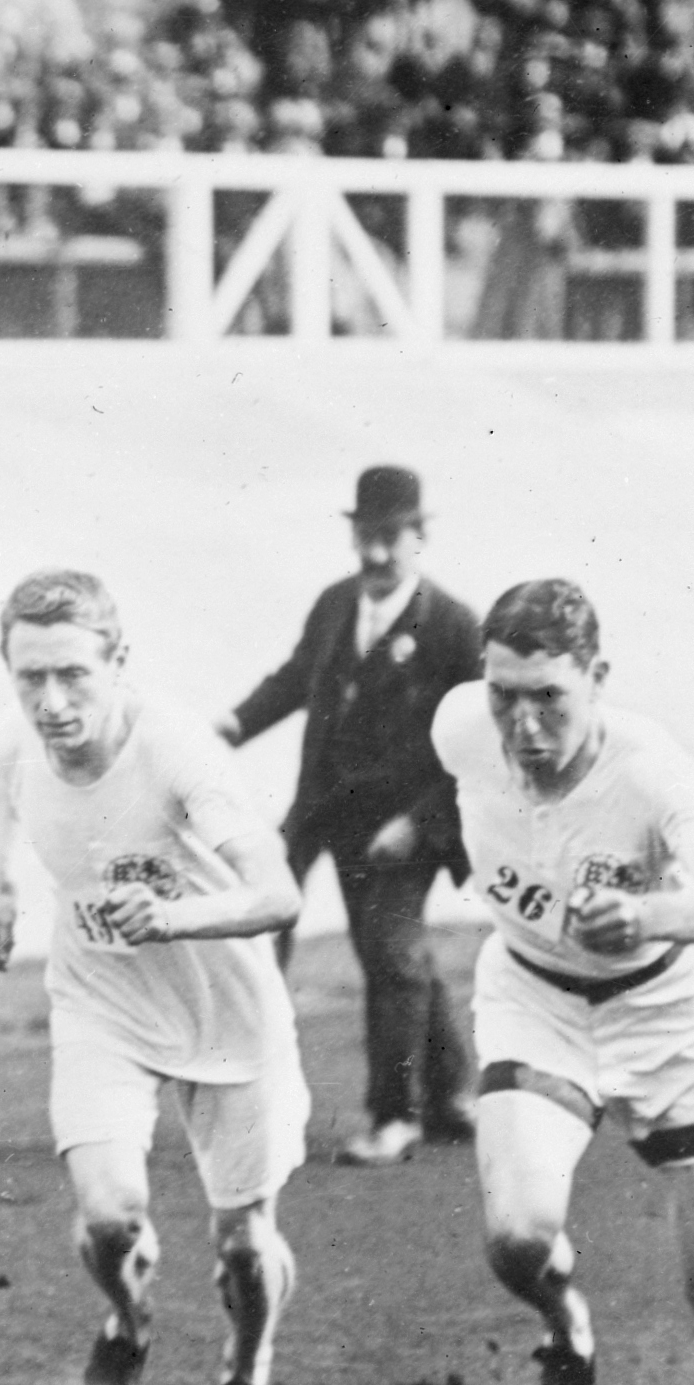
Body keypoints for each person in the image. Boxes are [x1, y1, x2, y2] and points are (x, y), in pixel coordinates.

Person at [432, 581, 694, 1385]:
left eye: (549, 697)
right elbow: (452, 799)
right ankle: (566, 1330)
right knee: (518, 1235)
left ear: (598, 679)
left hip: (669, 1010)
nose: (523, 724)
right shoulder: (459, 730)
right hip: (535, 999)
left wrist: (651, 913)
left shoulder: (651, 771)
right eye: (504, 694)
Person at [0, 569, 309, 1385]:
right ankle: (129, 1314)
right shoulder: (15, 742)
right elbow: (9, 794)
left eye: (73, 675)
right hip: (100, 1000)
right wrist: (1, 891)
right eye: (30, 678)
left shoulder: (180, 755)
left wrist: (174, 916)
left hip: (223, 1008)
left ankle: (247, 1367)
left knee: (243, 1240)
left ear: (119, 663)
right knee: (110, 1214)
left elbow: (276, 894)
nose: (50, 701)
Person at [221, 464, 483, 1166]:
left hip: (405, 827)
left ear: (420, 536)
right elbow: (295, 679)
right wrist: (232, 726)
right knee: (267, 916)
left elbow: (480, 745)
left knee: (391, 954)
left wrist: (423, 824)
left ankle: (396, 1117)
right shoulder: (336, 603)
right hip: (325, 807)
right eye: (365, 536)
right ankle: (453, 1093)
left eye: (390, 538)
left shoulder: (454, 626)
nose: (374, 554)